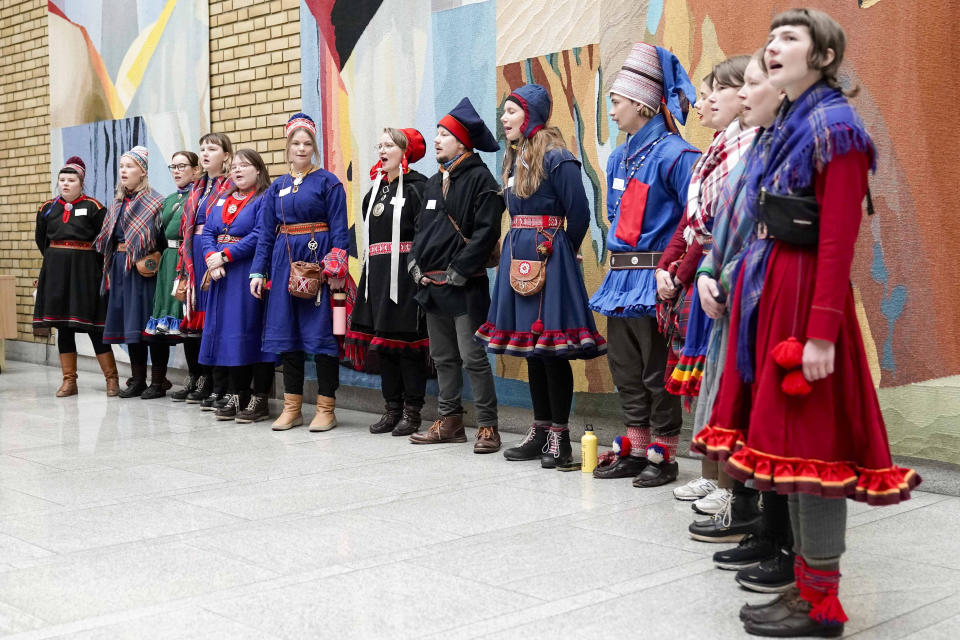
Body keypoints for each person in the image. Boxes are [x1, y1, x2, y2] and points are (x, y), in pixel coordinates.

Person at [690, 10, 919, 637]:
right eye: (772, 37)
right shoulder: (791, 121)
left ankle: (822, 605)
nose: (773, 45)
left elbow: (839, 240)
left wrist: (820, 335)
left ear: (822, 56)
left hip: (802, 306)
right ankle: (800, 584)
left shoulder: (835, 127)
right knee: (784, 450)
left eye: (789, 37)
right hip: (771, 296)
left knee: (812, 451)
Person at [690, 53, 796, 594]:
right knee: (751, 417)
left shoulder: (801, 144)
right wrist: (708, 270)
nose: (741, 96)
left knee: (777, 424)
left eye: (752, 84)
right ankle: (765, 527)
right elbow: (726, 223)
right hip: (737, 295)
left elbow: (775, 234)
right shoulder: (756, 146)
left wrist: (721, 273)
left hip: (772, 300)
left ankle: (787, 544)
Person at [588, 43, 701, 486]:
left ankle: (664, 454)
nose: (611, 112)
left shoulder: (677, 155)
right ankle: (635, 447)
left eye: (615, 103)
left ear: (640, 102)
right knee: (626, 369)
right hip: (621, 280)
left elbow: (696, 220)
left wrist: (677, 275)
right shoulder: (620, 156)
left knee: (658, 372)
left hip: (656, 281)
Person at [477, 83, 606, 468]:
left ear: (530, 115)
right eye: (504, 113)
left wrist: (560, 251)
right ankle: (539, 429)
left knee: (552, 351)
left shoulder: (557, 157)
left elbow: (579, 212)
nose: (504, 119)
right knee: (533, 350)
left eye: (511, 112)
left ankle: (560, 438)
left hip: (550, 258)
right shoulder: (514, 161)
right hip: (518, 258)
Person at [657, 55, 759, 525]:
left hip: (737, 278)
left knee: (730, 385)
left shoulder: (750, 149)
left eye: (711, 91)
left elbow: (730, 224)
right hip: (710, 276)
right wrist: (676, 269)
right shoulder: (718, 150)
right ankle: (713, 473)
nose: (702, 103)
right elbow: (693, 224)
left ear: (744, 94)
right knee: (707, 382)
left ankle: (734, 489)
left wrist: (689, 272)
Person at [407, 97, 504, 453]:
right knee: (443, 358)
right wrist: (414, 265)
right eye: (436, 133)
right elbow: (420, 231)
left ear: (462, 141)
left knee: (472, 357)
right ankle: (449, 421)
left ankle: (488, 427)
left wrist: (460, 270)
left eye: (443, 134)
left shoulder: (482, 180)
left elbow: (486, 232)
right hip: (431, 286)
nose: (436, 139)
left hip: (465, 285)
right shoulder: (434, 183)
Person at [250, 113, 349, 432]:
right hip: (282, 266)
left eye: (308, 143)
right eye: (296, 143)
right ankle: (292, 407)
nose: (302, 148)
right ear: (288, 147)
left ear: (314, 147)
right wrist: (257, 272)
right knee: (288, 335)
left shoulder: (328, 182)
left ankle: (326, 408)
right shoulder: (275, 187)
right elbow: (265, 233)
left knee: (322, 337)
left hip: (318, 267)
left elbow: (340, 230)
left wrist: (335, 264)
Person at [344, 127, 431, 436]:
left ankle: (413, 411)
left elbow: (426, 235)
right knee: (384, 347)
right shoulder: (376, 189)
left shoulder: (420, 188)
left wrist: (418, 271)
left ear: (405, 151)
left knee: (407, 346)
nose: (381, 150)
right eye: (379, 145)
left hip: (405, 276)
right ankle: (391, 408)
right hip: (378, 276)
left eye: (389, 145)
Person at [200, 149, 275, 423]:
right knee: (227, 334)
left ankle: (260, 397)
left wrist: (226, 255)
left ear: (258, 169)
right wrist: (211, 257)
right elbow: (209, 230)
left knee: (252, 332)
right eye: (234, 167)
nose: (238, 170)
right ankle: (237, 392)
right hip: (222, 275)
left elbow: (260, 234)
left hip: (248, 273)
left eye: (245, 165)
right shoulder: (223, 198)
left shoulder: (264, 198)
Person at [33, 156, 118, 397]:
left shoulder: (94, 207)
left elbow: (104, 240)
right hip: (56, 273)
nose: (66, 184)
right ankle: (69, 380)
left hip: (85, 273)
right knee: (63, 326)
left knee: (94, 325)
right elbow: (42, 240)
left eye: (71, 180)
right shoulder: (47, 208)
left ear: (81, 182)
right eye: (62, 180)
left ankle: (111, 379)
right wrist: (57, 260)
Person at [94, 146, 169, 399]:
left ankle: (158, 382)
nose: (123, 171)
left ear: (143, 171)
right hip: (120, 268)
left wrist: (150, 258)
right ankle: (138, 380)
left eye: (129, 166)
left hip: (145, 271)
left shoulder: (156, 202)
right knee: (131, 327)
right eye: (121, 167)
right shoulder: (116, 203)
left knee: (151, 327)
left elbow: (162, 239)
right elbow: (109, 239)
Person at [176, 133, 234, 409]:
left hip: (215, 255)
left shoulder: (231, 185)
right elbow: (187, 228)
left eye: (212, 148)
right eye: (202, 149)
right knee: (193, 321)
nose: (206, 153)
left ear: (226, 155)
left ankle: (216, 382)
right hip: (194, 256)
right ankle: (199, 378)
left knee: (215, 322)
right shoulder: (198, 186)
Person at [144, 152, 199, 362]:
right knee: (164, 322)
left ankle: (201, 378)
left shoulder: (199, 197)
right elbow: (159, 235)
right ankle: (160, 379)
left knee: (188, 319)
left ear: (195, 170)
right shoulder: (168, 200)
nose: (176, 171)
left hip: (187, 259)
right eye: (173, 167)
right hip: (168, 259)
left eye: (182, 166)